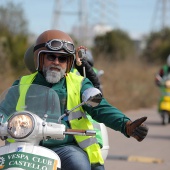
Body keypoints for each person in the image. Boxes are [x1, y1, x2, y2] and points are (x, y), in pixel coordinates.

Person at [1, 29, 148, 170]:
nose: (57, 62)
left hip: (64, 148)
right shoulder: (22, 83)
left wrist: (126, 125)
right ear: (40, 58)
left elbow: (100, 107)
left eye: (62, 58)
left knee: (80, 166)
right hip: (25, 145)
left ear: (69, 62)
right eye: (51, 57)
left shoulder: (79, 84)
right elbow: (3, 110)